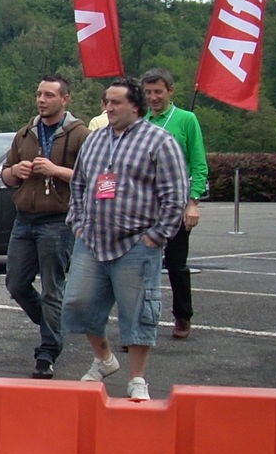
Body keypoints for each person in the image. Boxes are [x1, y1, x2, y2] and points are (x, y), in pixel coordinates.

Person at [63, 78, 188, 401]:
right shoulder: (94, 141)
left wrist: (156, 236)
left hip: (135, 243)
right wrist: (77, 223)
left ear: (135, 105)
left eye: (115, 102)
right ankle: (104, 359)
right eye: (106, 102)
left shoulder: (160, 141)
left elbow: (175, 195)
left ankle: (137, 378)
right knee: (78, 302)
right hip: (91, 240)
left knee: (138, 311)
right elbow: (78, 184)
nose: (108, 108)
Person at [0, 74, 88, 378]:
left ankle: (48, 351)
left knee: (53, 289)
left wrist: (57, 170)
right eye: (39, 94)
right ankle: (54, 325)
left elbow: (93, 179)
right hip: (24, 218)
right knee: (16, 284)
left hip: (57, 221)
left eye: (49, 95)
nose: (41, 100)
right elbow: (5, 176)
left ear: (65, 99)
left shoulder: (80, 135)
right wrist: (15, 171)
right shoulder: (25, 133)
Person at [142, 68, 208, 340]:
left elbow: (199, 163)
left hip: (176, 204)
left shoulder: (185, 119)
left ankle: (183, 316)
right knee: (141, 265)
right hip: (145, 206)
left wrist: (193, 202)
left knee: (176, 263)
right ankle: (141, 324)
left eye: (158, 91)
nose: (153, 97)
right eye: (148, 93)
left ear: (170, 91)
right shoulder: (141, 121)